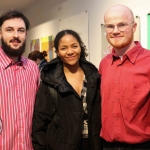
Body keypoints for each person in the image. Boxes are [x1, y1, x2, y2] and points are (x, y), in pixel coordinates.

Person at [32, 29, 101, 150]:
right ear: (57, 52)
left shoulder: (93, 76)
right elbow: (39, 124)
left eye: (74, 46)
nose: (70, 52)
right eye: (64, 48)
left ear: (80, 47)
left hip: (92, 144)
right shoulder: (50, 81)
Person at [99, 4, 150, 150]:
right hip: (107, 145)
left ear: (134, 27)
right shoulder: (104, 64)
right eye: (110, 26)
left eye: (121, 25)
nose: (115, 31)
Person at [0, 10, 39, 149]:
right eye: (9, 30)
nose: (16, 35)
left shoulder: (33, 68)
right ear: (0, 33)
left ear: (26, 34)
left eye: (21, 30)